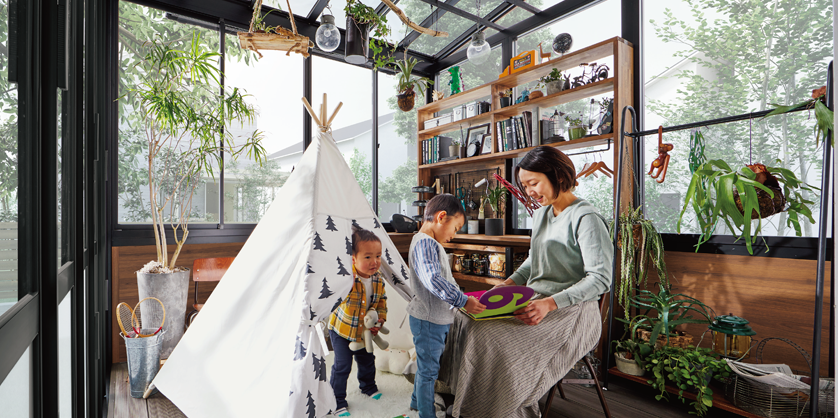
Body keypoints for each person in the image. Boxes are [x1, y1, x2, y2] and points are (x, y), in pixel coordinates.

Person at [438, 146, 613, 418]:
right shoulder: (542, 214)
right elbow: (533, 261)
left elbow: (600, 279)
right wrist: (506, 284)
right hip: (535, 301)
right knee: (465, 318)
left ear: (557, 175)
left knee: (488, 335)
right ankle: (460, 398)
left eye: (534, 183)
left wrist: (549, 304)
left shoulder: (586, 218)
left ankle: (490, 408)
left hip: (572, 313)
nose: (529, 191)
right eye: (525, 185)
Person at [407, 194, 486, 418]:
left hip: (434, 318)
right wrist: (463, 300)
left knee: (428, 367)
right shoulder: (426, 243)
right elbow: (433, 280)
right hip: (429, 320)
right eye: (456, 227)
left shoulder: (425, 242)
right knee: (429, 372)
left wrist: (462, 296)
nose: (454, 234)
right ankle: (426, 413)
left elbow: (441, 280)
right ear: (442, 217)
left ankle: (416, 402)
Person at [328, 229, 388, 417]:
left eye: (378, 256)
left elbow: (381, 302)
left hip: (364, 332)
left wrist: (380, 320)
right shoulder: (347, 278)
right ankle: (337, 400)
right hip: (342, 330)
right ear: (353, 259)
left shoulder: (378, 279)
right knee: (342, 365)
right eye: (368, 257)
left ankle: (368, 386)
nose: (375, 261)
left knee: (367, 359)